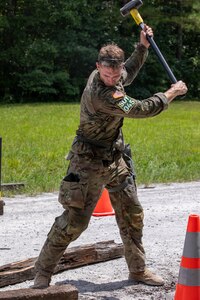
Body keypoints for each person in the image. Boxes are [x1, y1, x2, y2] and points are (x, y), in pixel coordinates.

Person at [33, 25, 187, 289]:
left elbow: (128, 70)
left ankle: (138, 270)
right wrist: (171, 93)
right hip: (87, 162)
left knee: (131, 213)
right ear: (97, 67)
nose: (113, 78)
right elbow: (140, 108)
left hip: (115, 158)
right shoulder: (103, 94)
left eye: (116, 74)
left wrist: (142, 46)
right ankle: (43, 272)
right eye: (107, 73)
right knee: (74, 222)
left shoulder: (114, 76)